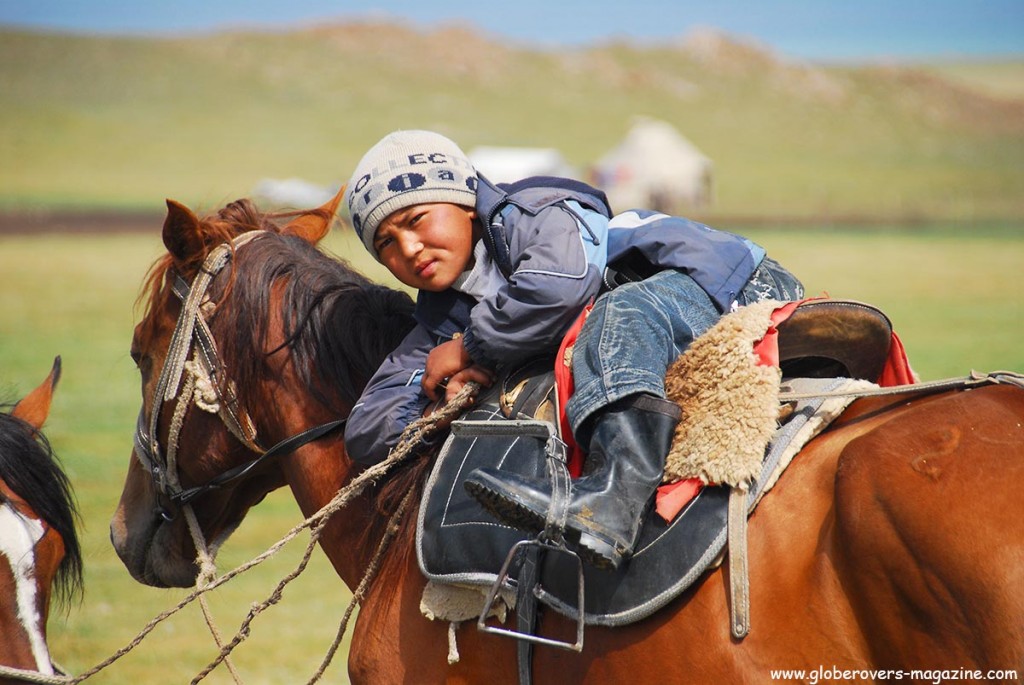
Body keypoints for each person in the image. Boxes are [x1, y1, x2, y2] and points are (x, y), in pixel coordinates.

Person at [342, 130, 804, 569]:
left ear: (464, 199)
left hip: (728, 283)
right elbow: (367, 429)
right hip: (664, 309)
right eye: (385, 244)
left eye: (415, 220)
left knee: (617, 312)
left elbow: (557, 290)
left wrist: (471, 350)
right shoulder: (440, 319)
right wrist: (435, 404)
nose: (408, 247)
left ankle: (612, 499)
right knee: (611, 320)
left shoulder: (537, 210)